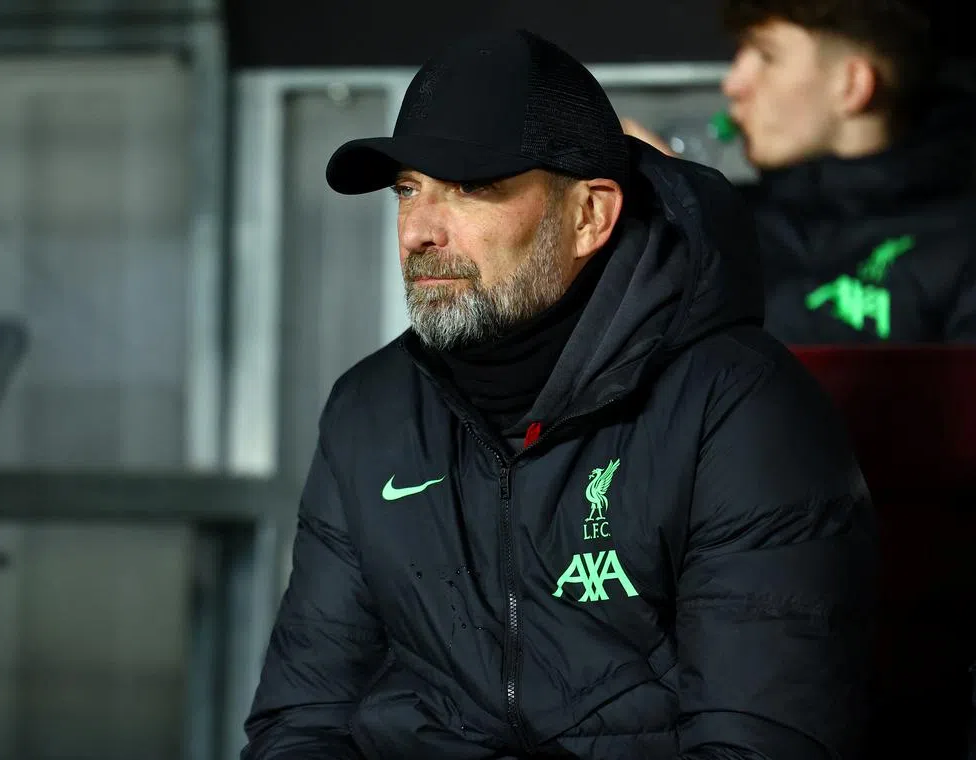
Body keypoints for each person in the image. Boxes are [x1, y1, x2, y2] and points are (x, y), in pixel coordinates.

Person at [242, 29, 878, 760]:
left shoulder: (743, 410)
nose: (418, 230)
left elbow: (763, 744)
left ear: (589, 217)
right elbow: (303, 722)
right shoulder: (368, 411)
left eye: (472, 187)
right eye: (409, 190)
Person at [623, 0, 976, 344]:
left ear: (852, 85)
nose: (733, 84)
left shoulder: (959, 238)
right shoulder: (729, 219)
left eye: (767, 56)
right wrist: (674, 225)